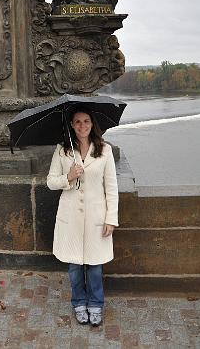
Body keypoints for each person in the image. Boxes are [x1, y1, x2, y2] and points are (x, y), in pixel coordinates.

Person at [47, 110, 119, 326]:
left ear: (92, 123)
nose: (82, 125)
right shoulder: (62, 150)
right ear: (72, 124)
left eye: (86, 121)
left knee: (95, 266)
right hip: (71, 218)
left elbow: (112, 187)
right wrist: (68, 177)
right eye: (77, 122)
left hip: (96, 217)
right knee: (75, 267)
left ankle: (96, 304)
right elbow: (50, 181)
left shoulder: (104, 150)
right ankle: (79, 302)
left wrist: (111, 219)